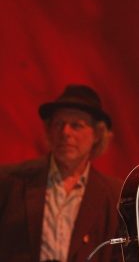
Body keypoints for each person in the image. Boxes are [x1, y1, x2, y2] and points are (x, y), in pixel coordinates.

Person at [0, 84, 122, 262]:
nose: (65, 132)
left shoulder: (113, 194)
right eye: (59, 124)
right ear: (49, 131)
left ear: (97, 134)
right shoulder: (11, 181)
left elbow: (119, 255)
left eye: (76, 125)